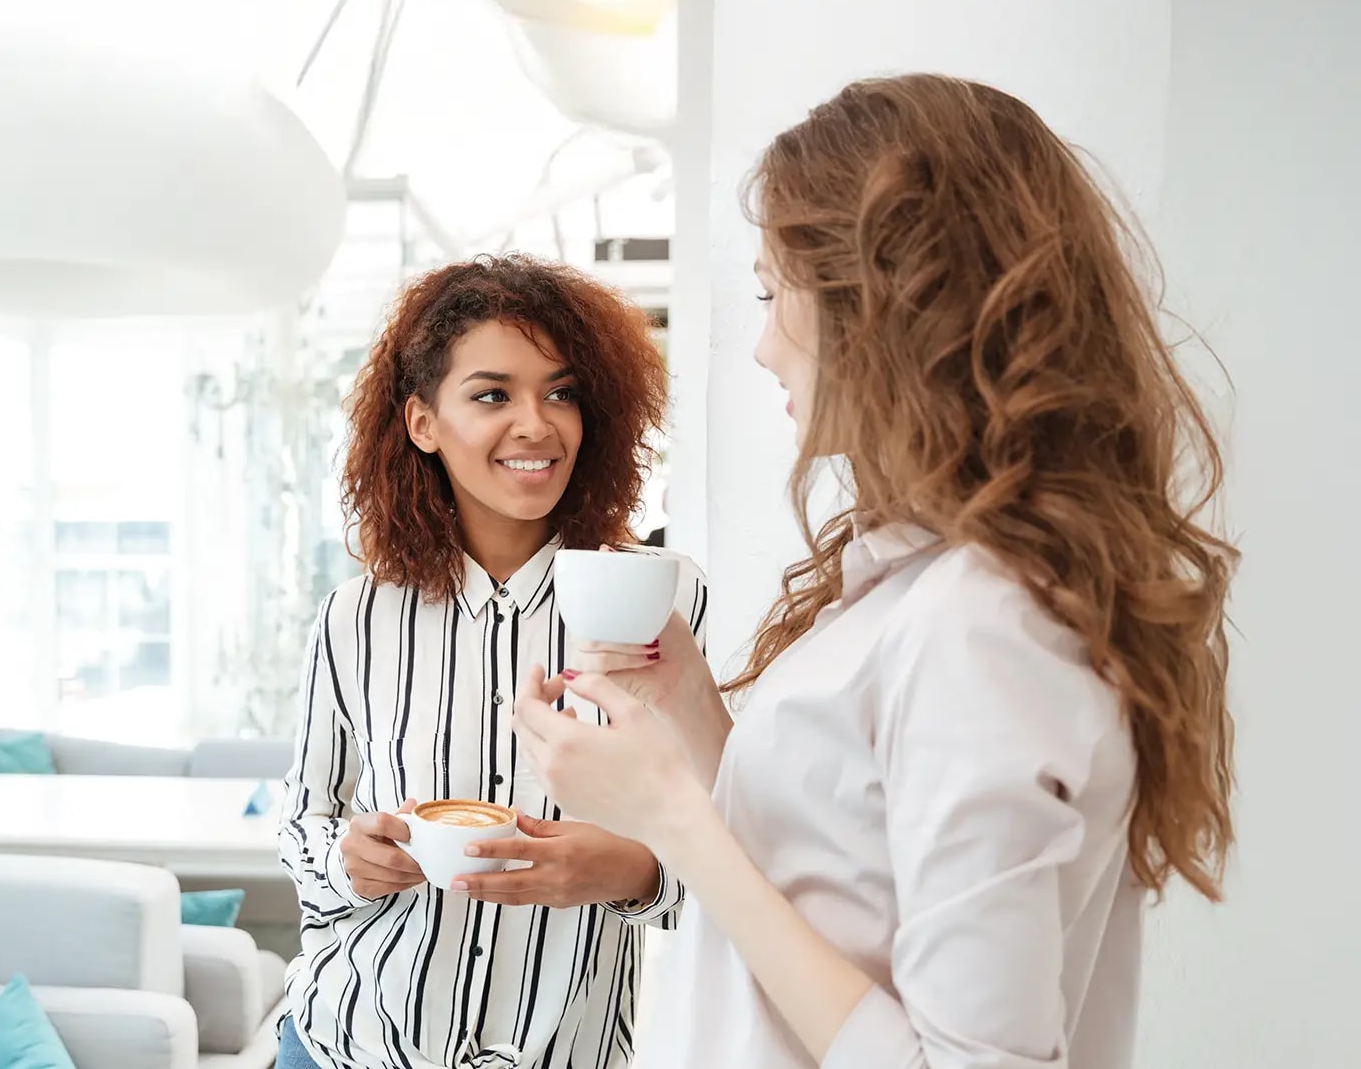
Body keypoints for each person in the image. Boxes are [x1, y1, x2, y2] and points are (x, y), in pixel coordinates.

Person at [515, 73, 1237, 1068]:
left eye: (776, 296)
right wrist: (691, 711)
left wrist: (672, 821)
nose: (764, 348)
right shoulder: (924, 590)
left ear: (887, 304)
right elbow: (838, 876)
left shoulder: (986, 630)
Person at [276, 254, 715, 1069]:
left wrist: (624, 868)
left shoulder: (665, 601)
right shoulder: (354, 618)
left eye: (561, 392)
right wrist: (349, 860)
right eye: (491, 395)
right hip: (348, 1046)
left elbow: (739, 858)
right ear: (422, 423)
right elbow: (302, 829)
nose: (536, 425)